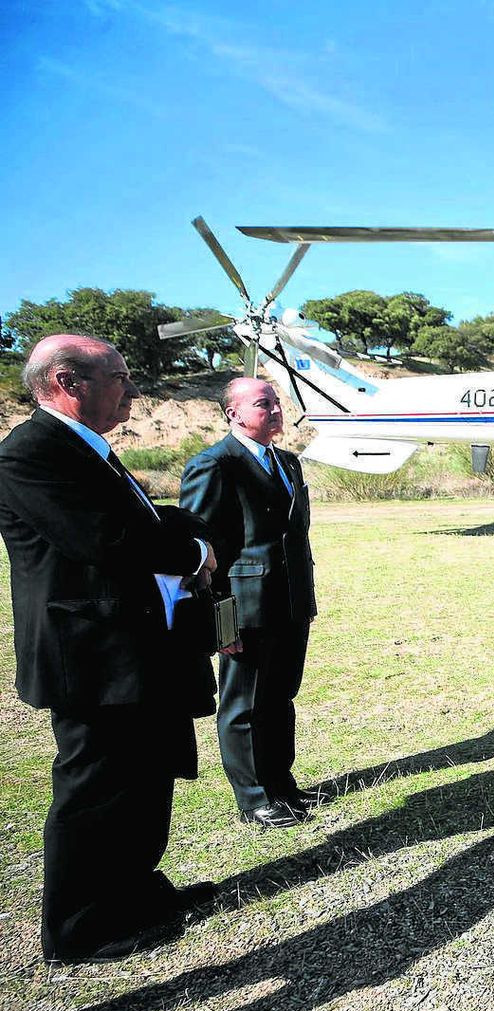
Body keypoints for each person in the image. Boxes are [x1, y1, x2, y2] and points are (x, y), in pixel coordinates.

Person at [0, 334, 220, 964]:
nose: (132, 389)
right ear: (68, 383)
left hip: (132, 647)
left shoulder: (87, 449)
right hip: (88, 655)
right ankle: (78, 928)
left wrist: (190, 531)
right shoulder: (30, 453)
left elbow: (144, 520)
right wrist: (195, 552)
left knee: (145, 776)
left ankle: (136, 893)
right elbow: (107, 540)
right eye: (120, 377)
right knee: (94, 786)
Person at [181, 378, 319, 829]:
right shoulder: (215, 465)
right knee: (244, 703)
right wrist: (220, 621)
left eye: (278, 402)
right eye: (264, 403)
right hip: (243, 606)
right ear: (233, 413)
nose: (276, 410)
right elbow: (201, 547)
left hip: (292, 601)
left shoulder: (287, 462)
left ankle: (281, 783)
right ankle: (254, 796)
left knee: (280, 695)